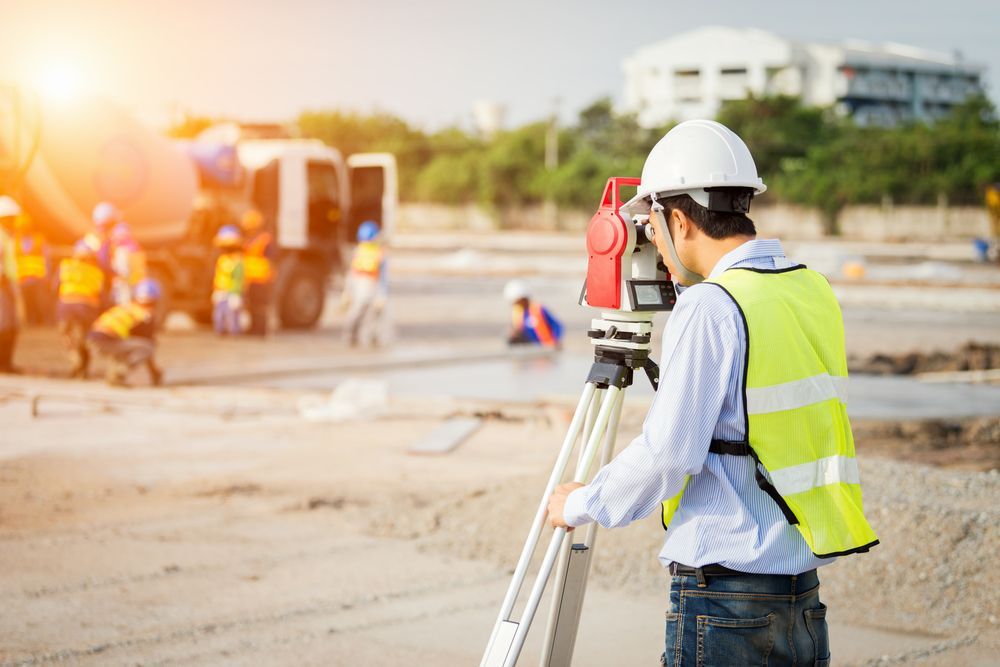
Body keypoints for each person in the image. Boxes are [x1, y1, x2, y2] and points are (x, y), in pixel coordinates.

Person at [545, 120, 878, 666]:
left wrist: (580, 503)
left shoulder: (712, 307)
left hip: (726, 602)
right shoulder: (810, 286)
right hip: (801, 595)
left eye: (653, 226)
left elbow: (669, 455)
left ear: (677, 218)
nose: (652, 240)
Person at [87, 278, 163, 387]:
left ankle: (113, 376)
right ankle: (119, 374)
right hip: (104, 341)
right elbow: (147, 347)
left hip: (93, 339)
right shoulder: (145, 316)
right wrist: (155, 373)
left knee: (126, 347)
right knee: (148, 347)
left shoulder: (128, 307)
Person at [57, 237, 106, 378]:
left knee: (67, 336)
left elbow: (55, 286)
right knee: (86, 338)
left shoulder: (65, 266)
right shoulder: (96, 272)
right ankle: (84, 368)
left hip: (66, 308)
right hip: (87, 309)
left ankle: (75, 360)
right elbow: (102, 295)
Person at [340, 220, 389, 347]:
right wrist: (347, 292)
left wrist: (382, 295)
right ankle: (352, 335)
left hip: (372, 285)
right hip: (363, 286)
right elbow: (352, 273)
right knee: (359, 311)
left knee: (375, 313)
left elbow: (382, 275)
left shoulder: (375, 252)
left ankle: (373, 337)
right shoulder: (362, 252)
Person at [240, 209, 276, 336]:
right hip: (251, 277)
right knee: (253, 304)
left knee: (260, 305)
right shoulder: (250, 240)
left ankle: (261, 330)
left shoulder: (264, 239)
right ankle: (254, 327)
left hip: (261, 278)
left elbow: (270, 259)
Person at [13, 213, 53, 325]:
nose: (22, 229)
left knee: (41, 302)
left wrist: (47, 274)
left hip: (38, 277)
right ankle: (32, 322)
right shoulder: (15, 241)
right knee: (28, 303)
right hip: (24, 278)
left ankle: (44, 321)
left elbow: (46, 257)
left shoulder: (38, 239)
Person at [502, 279, 563, 348]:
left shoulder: (539, 309)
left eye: (517, 301)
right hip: (530, 346)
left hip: (546, 345)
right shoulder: (518, 313)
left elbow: (558, 326)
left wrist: (555, 339)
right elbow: (519, 330)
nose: (517, 304)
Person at [0, 195, 23, 373]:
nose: (14, 222)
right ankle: (4, 364)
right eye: (10, 218)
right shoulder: (1, 236)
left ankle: (6, 363)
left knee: (11, 326)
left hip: (9, 286)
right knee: (6, 327)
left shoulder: (7, 236)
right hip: (3, 285)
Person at [212, 225, 244, 336]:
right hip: (221, 290)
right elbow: (218, 275)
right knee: (219, 314)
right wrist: (216, 290)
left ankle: (234, 332)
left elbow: (238, 279)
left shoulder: (237, 261)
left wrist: (236, 293)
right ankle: (221, 331)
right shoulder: (222, 259)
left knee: (232, 314)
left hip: (231, 292)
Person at [109, 222, 147, 305]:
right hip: (124, 287)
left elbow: (135, 273)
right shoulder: (120, 249)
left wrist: (124, 280)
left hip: (126, 288)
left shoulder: (127, 250)